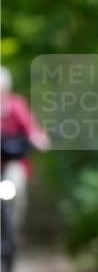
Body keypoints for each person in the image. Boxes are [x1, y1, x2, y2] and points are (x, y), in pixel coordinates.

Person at [0, 65, 51, 239]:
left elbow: (31, 128)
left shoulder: (16, 105)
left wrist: (39, 139)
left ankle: (13, 229)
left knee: (15, 187)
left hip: (13, 162)